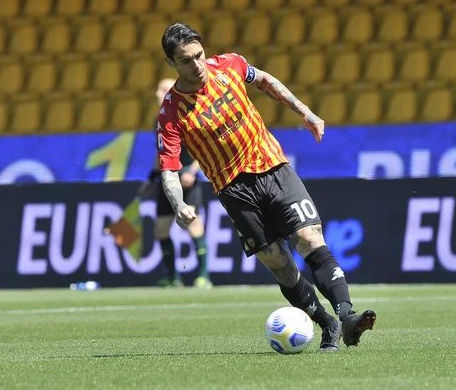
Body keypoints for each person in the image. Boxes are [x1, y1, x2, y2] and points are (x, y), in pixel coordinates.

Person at [156, 23, 376, 351]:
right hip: (234, 190)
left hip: (273, 167)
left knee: (309, 237)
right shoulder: (171, 111)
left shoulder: (229, 64)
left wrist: (305, 112)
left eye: (199, 55)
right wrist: (179, 205)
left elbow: (265, 81)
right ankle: (326, 323)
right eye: (186, 61)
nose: (197, 65)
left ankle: (346, 316)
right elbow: (169, 169)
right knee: (281, 266)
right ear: (172, 63)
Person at [150, 77, 213, 289]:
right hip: (165, 180)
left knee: (193, 226)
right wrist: (151, 176)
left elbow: (202, 148)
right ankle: (173, 277)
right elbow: (161, 152)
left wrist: (192, 171)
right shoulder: (158, 119)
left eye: (163, 89)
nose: (158, 94)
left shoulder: (187, 116)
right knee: (161, 229)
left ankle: (203, 276)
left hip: (186, 179)